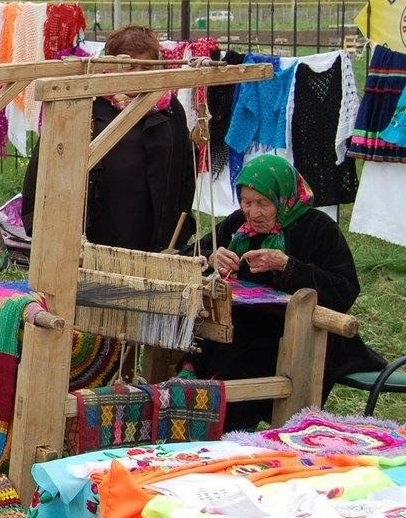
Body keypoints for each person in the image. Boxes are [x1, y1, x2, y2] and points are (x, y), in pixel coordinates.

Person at [195, 154, 385, 430]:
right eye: (246, 202)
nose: (253, 212)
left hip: (297, 331)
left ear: (284, 198)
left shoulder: (318, 229)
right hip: (242, 325)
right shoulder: (239, 225)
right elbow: (191, 253)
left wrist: (287, 266)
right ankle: (198, 420)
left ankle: (229, 431)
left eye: (263, 203)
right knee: (197, 347)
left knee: (239, 360)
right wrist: (212, 258)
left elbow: (344, 289)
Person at [22, 24, 195, 252]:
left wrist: (178, 230)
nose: (138, 75)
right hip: (100, 226)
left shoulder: (168, 107)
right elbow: (44, 166)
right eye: (130, 66)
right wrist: (40, 224)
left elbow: (184, 169)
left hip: (153, 229)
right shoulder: (85, 105)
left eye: (146, 66)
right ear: (111, 66)